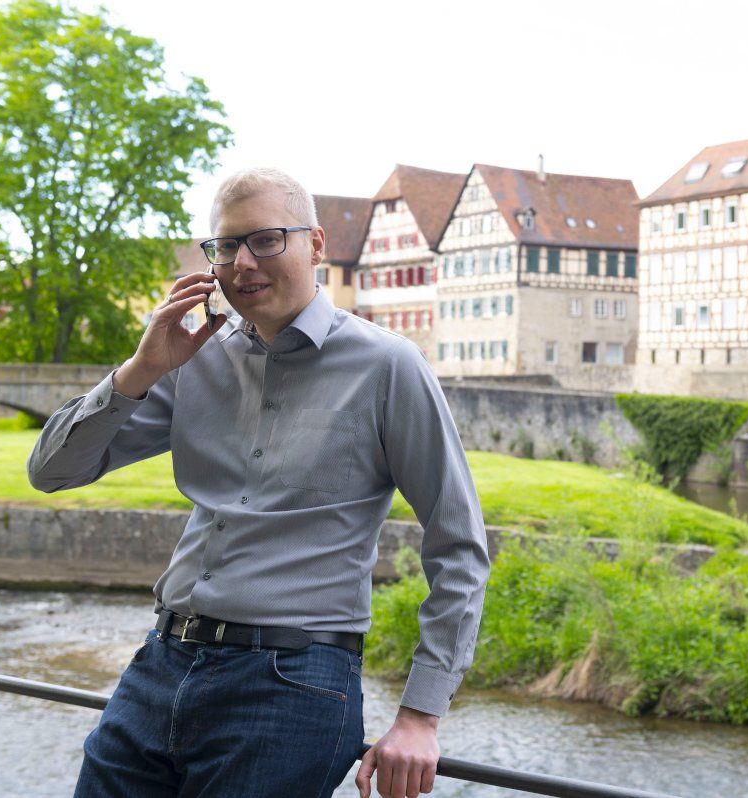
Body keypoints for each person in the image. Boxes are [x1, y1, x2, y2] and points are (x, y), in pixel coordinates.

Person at [27, 167, 490, 798]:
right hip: (159, 665)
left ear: (317, 246)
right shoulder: (193, 360)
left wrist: (420, 714)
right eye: (225, 246)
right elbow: (53, 470)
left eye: (266, 240)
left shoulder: (388, 366)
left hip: (291, 685)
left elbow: (458, 542)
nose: (242, 262)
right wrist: (141, 368)